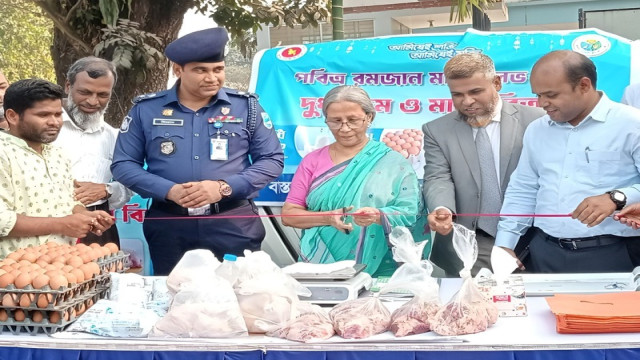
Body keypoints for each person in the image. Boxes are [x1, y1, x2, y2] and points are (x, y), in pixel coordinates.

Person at [111, 27, 284, 275]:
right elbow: (123, 164)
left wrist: (223, 187)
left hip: (232, 220)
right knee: (175, 300)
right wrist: (169, 191)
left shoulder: (247, 108)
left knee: (241, 297)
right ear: (178, 70)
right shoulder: (146, 109)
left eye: (218, 69)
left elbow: (272, 160)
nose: (212, 78)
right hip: (170, 224)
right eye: (201, 70)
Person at [495, 50, 640, 273]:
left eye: (551, 95)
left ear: (584, 85)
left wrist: (617, 197)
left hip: (615, 254)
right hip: (544, 253)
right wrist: (505, 243)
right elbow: (524, 188)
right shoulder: (537, 130)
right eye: (538, 95)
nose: (542, 103)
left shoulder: (631, 124)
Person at [281, 85, 428, 277]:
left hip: (379, 265)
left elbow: (410, 213)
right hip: (319, 264)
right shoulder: (312, 161)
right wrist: (327, 218)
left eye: (352, 120)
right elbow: (288, 215)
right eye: (335, 121)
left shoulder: (394, 163)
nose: (344, 128)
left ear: (369, 117)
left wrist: (377, 215)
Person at [422, 53, 545, 277]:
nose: (467, 101)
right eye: (457, 95)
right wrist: (442, 209)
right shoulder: (437, 130)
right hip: (473, 241)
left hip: (535, 237)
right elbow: (437, 176)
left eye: (475, 92)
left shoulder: (538, 120)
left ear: (497, 83)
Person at [0, 79, 114, 256]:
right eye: (43, 115)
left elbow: (67, 201)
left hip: (60, 264)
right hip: (12, 271)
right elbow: (2, 219)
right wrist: (62, 224)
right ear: (13, 116)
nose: (54, 122)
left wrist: (86, 216)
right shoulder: (3, 152)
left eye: (58, 114)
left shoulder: (58, 154)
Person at [54, 57, 132, 247]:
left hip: (99, 230)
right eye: (85, 92)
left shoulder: (114, 137)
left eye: (102, 95)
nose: (92, 101)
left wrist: (106, 190)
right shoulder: (47, 129)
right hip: (51, 226)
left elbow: (129, 185)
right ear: (67, 86)